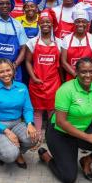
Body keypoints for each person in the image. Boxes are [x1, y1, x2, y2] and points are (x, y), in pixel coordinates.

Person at [37, 58, 92, 183]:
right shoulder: (66, 90)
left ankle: (86, 161)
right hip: (60, 132)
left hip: (84, 128)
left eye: (91, 71)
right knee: (68, 177)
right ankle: (46, 157)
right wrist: (87, 137)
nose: (88, 75)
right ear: (76, 72)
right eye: (83, 72)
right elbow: (61, 122)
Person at [0, 58, 38, 168]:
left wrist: (29, 124)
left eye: (8, 70)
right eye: (1, 72)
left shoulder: (22, 87)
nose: (5, 74)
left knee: (34, 138)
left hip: (17, 123)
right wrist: (7, 132)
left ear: (13, 70)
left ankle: (17, 153)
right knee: (9, 155)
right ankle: (0, 152)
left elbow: (27, 109)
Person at [25, 11, 62, 144]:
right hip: (37, 82)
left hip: (53, 82)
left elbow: (61, 65)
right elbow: (28, 61)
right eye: (43, 21)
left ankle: (50, 136)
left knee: (52, 110)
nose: (45, 24)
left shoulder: (59, 42)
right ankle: (38, 137)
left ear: (52, 24)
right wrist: (34, 78)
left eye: (48, 22)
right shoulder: (32, 42)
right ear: (39, 23)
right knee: (38, 110)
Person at [61, 4, 92, 81]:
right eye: (77, 22)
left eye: (83, 22)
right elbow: (63, 62)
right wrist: (76, 75)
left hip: (89, 79)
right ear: (74, 23)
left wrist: (88, 75)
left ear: (88, 23)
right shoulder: (66, 39)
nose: (80, 24)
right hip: (72, 79)